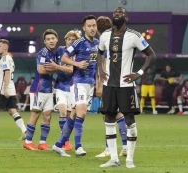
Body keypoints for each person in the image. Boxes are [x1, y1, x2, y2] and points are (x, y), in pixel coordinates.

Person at [97, 7, 156, 168]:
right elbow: (100, 52)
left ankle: (129, 159)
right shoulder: (104, 35)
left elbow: (151, 54)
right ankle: (114, 158)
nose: (117, 14)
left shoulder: (134, 36)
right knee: (108, 118)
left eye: (120, 13)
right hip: (109, 85)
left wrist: (139, 73)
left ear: (126, 18)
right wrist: (100, 71)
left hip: (126, 85)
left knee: (130, 120)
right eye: (115, 13)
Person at [52, 15, 99, 157]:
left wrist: (99, 81)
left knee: (73, 114)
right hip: (78, 82)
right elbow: (64, 57)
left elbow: (100, 63)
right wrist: (77, 64)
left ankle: (58, 145)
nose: (92, 28)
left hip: (90, 83)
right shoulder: (79, 42)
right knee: (82, 112)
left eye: (94, 25)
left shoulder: (97, 43)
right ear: (84, 28)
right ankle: (78, 147)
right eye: (89, 26)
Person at [23, 29, 72, 150]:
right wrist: (59, 68)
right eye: (48, 39)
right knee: (35, 114)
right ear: (45, 41)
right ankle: (28, 141)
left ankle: (42, 142)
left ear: (56, 39)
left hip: (49, 89)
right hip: (39, 88)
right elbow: (41, 70)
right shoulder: (43, 53)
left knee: (47, 115)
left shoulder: (54, 54)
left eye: (53, 38)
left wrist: (57, 67)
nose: (51, 41)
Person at [95, 16, 127, 158]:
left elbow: (104, 64)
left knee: (110, 116)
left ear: (97, 28)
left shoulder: (104, 41)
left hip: (110, 82)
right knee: (117, 113)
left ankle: (109, 149)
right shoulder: (116, 38)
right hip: (120, 81)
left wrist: (100, 84)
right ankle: (125, 146)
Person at [51, 30, 81, 151]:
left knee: (71, 116)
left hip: (73, 87)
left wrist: (57, 67)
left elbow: (71, 70)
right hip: (60, 86)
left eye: (73, 40)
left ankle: (64, 139)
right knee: (62, 112)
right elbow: (51, 62)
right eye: (69, 39)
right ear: (66, 40)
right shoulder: (59, 51)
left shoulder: (79, 53)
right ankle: (66, 142)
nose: (71, 41)